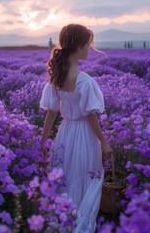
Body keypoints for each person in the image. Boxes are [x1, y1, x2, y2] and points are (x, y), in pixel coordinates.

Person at [39, 23, 113, 233]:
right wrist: (105, 143)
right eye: (88, 45)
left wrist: (44, 141)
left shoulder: (56, 78)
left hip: (65, 133)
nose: (90, 49)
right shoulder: (86, 82)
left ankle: (63, 219)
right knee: (87, 177)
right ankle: (79, 223)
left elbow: (51, 113)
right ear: (78, 48)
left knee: (66, 177)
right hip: (85, 135)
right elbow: (91, 117)